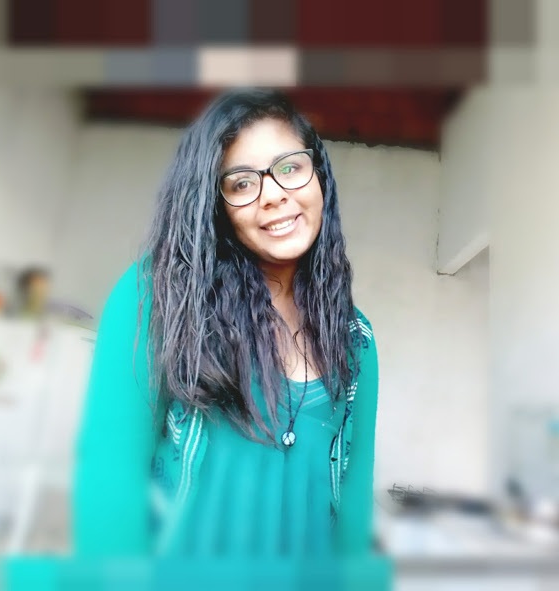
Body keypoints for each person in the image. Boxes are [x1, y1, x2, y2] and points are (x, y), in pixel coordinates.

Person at [73, 88, 379, 559]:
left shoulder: (354, 338)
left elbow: (354, 510)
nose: (273, 195)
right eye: (240, 183)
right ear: (215, 207)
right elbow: (109, 482)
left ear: (319, 176)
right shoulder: (159, 297)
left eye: (290, 168)